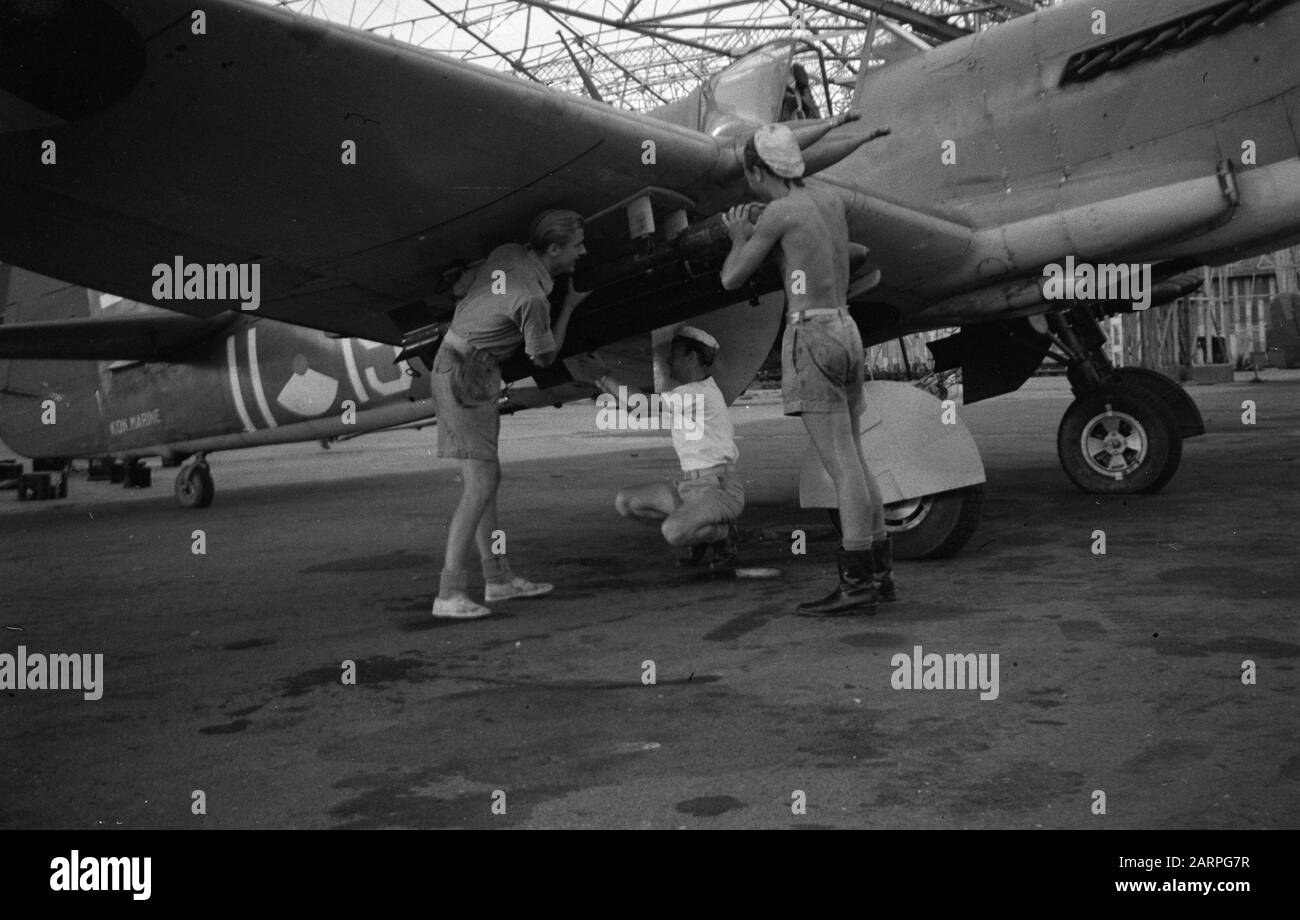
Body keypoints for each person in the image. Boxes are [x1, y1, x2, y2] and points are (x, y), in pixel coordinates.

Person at [719, 123, 895, 616]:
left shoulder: (778, 213)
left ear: (757, 171)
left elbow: (732, 278)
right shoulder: (829, 201)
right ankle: (880, 574)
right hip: (846, 328)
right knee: (855, 458)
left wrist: (741, 236)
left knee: (840, 467)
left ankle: (856, 582)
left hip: (812, 334)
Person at [430, 209, 589, 619]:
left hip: (466, 366)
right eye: (577, 246)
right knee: (480, 486)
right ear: (554, 249)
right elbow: (545, 357)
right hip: (466, 376)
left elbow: (471, 287)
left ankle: (498, 578)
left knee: (486, 481)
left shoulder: (510, 253)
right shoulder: (533, 299)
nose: (582, 252)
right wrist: (568, 306)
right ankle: (449, 594)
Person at [582, 327, 743, 569]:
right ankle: (699, 529)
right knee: (626, 501)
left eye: (675, 355)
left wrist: (604, 376)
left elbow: (641, 405)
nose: (669, 361)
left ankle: (722, 534)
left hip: (718, 488)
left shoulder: (697, 393)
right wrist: (598, 378)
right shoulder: (691, 392)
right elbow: (634, 408)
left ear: (691, 358)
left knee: (673, 532)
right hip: (693, 486)